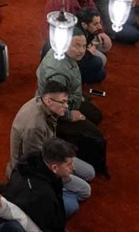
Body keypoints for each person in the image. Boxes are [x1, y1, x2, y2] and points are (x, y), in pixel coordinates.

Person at [7, 82, 96, 218]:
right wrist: (59, 175)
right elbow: (34, 162)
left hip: (52, 152)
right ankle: (58, 192)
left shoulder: (43, 103)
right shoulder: (35, 126)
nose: (66, 106)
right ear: (49, 101)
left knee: (89, 173)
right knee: (85, 191)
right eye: (63, 102)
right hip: (37, 169)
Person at [3, 138, 76, 232]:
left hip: (29, 207)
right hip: (32, 222)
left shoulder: (32, 161)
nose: (73, 168)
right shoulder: (43, 196)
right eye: (69, 165)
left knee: (72, 204)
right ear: (54, 167)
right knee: (72, 204)